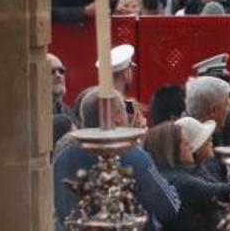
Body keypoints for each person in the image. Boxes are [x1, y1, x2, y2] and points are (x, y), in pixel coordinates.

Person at [54, 87, 181, 229]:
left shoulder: (62, 158)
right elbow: (169, 206)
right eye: (124, 112)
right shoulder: (133, 155)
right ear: (117, 117)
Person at [144, 120, 230, 231]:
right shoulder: (180, 181)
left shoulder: (169, 174)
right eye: (186, 144)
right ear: (172, 151)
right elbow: (229, 192)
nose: (191, 147)